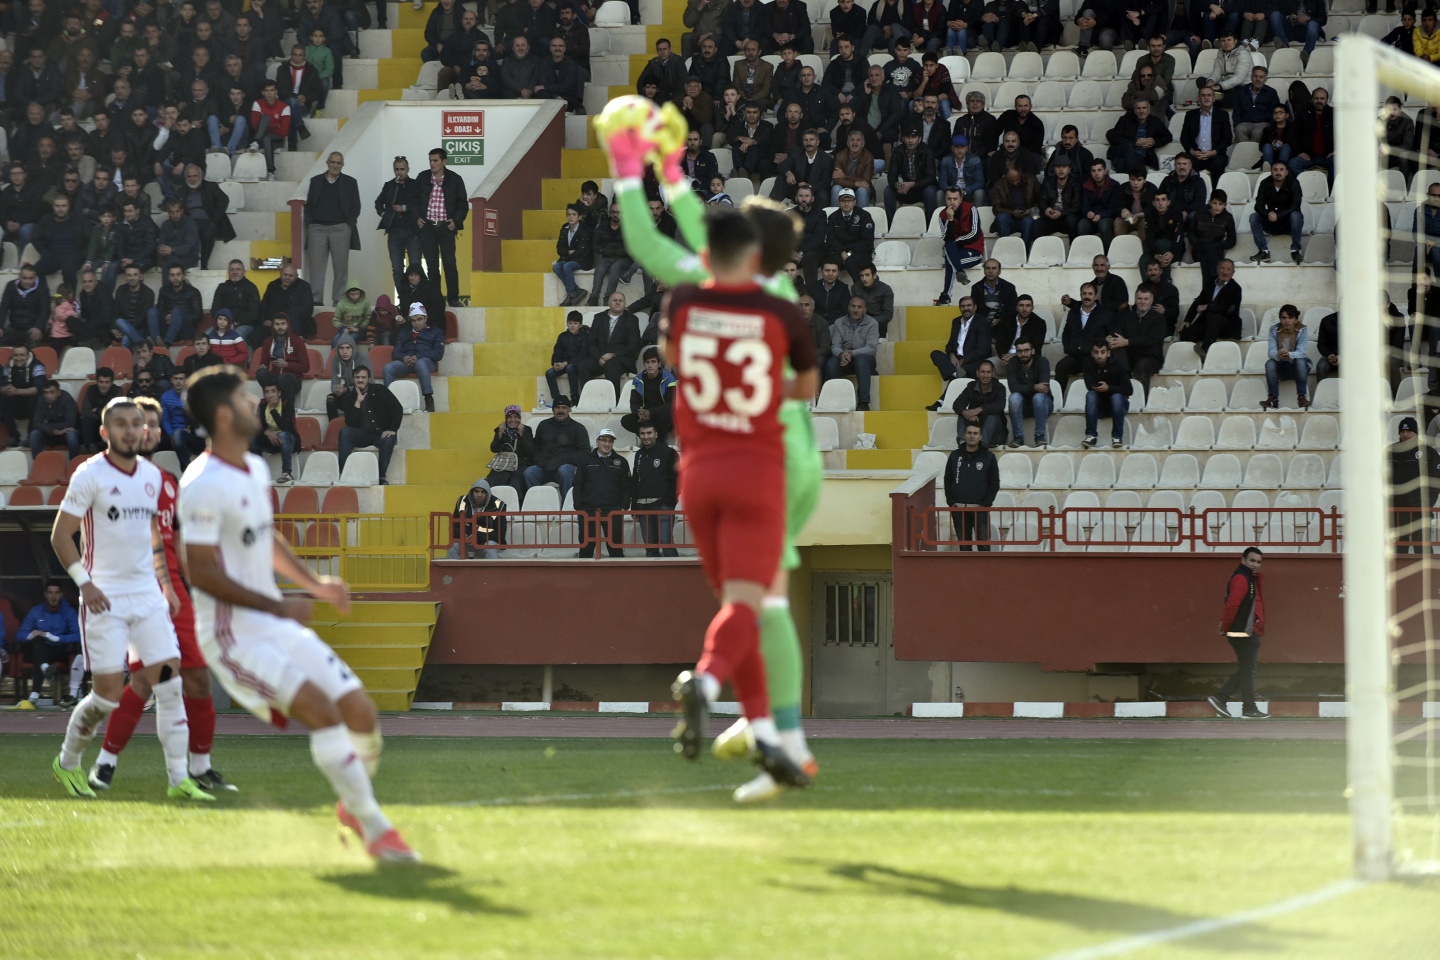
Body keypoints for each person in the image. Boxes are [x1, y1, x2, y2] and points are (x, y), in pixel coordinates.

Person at [601, 103, 822, 799]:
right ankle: (769, 732)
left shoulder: (703, 291)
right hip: (774, 451)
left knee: (764, 603)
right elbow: (702, 223)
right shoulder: (773, 292)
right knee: (758, 602)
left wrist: (647, 167)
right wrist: (672, 170)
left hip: (753, 460)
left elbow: (662, 235)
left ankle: (779, 735)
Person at [177, 367, 417, 859]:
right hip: (232, 636)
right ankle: (376, 828)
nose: (257, 405)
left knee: (362, 713)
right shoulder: (200, 483)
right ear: (224, 415)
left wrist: (313, 583)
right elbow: (199, 572)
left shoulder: (255, 468)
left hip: (272, 621)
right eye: (247, 400)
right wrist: (279, 603)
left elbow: (264, 539)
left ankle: (354, 802)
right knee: (323, 714)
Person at [659, 206, 816, 791]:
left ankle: (766, 737)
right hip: (756, 471)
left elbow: (672, 358)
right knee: (747, 606)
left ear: (707, 254)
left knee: (735, 605)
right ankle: (703, 682)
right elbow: (805, 386)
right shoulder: (780, 311)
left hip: (698, 474)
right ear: (755, 256)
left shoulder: (682, 302)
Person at [46, 396, 213, 802]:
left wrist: (166, 587)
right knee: (105, 695)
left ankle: (179, 780)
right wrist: (84, 583)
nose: (128, 430)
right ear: (104, 432)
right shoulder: (90, 474)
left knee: (169, 683)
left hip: (148, 597)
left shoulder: (153, 478)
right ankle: (67, 762)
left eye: (134, 424)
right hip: (104, 598)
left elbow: (154, 536)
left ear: (144, 430)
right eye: (118, 424)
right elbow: (59, 535)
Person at [88, 396, 233, 791]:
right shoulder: (109, 479)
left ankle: (201, 767)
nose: (147, 431)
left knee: (199, 678)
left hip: (175, 595)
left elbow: (180, 543)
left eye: (152, 424)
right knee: (144, 682)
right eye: (140, 424)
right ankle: (105, 762)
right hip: (138, 593)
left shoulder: (167, 484)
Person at [1207, 547, 1269, 720]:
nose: (1255, 564)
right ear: (1243, 560)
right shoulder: (1242, 578)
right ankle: (1246, 707)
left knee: (1246, 669)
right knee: (1248, 670)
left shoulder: (1248, 578)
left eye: (1258, 562)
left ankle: (1222, 698)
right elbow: (1232, 605)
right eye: (1252, 561)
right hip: (1242, 631)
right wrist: (1226, 626)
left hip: (1245, 630)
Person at [304, 152, 362, 307]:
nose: (336, 165)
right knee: (316, 267)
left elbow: (356, 206)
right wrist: (310, 223)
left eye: (339, 163)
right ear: (327, 163)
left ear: (342, 165)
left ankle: (339, 300)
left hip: (341, 228)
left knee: (341, 267)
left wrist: (348, 224)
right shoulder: (316, 181)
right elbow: (308, 205)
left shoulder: (350, 182)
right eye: (333, 162)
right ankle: (316, 300)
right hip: (317, 228)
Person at [414, 147, 469, 307]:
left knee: (450, 263)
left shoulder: (454, 179)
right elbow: (414, 200)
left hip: (446, 227)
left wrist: (456, 221)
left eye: (435, 160)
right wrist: (417, 218)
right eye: (430, 160)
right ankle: (435, 298)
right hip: (428, 227)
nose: (432, 164)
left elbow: (462, 204)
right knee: (431, 265)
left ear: (444, 161)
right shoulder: (422, 177)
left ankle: (453, 298)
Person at [18, 581, 82, 706]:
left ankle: (34, 695)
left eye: (57, 593)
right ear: (45, 595)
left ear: (61, 595)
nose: (54, 596)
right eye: (50, 593)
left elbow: (78, 635)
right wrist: (31, 634)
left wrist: (56, 638)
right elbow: (19, 635)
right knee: (38, 643)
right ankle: (46, 668)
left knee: (39, 656)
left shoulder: (69, 611)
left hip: (62, 650)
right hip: (43, 650)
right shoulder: (36, 611)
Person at [574, 428, 631, 559]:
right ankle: (583, 578)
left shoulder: (622, 462)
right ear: (597, 441)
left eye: (610, 441)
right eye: (604, 440)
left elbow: (627, 486)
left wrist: (624, 505)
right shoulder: (585, 460)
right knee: (586, 548)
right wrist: (579, 506)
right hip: (588, 510)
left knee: (616, 548)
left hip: (613, 510)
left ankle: (617, 578)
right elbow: (578, 484)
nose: (607, 444)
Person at [926, 295, 991, 408]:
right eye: (963, 306)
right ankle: (956, 373)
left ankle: (941, 402)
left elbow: (983, 349)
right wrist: (951, 355)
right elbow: (950, 345)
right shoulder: (956, 322)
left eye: (969, 305)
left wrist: (963, 360)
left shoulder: (982, 323)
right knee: (935, 354)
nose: (966, 308)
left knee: (966, 369)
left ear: (975, 307)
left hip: (972, 361)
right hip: (955, 360)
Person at [943, 421, 998, 551]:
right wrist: (951, 502)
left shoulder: (989, 457)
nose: (972, 436)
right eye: (969, 433)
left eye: (975, 433)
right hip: (959, 509)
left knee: (983, 546)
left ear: (980, 436)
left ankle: (984, 572)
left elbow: (994, 482)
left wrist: (985, 504)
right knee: (964, 546)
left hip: (980, 509)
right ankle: (966, 572)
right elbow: (947, 479)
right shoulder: (955, 456)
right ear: (964, 435)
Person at [522, 395, 590, 500]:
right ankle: (539, 504)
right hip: (545, 468)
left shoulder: (578, 428)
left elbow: (585, 452)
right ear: (553, 410)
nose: (560, 411)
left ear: (569, 410)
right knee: (529, 472)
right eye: (557, 407)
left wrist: (566, 460)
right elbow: (536, 447)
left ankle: (568, 507)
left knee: (564, 471)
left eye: (564, 407)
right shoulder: (544, 425)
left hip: (567, 467)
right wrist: (540, 461)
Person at [1390, 416, 1440, 553]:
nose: (1405, 435)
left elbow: (1436, 480)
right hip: (1397, 511)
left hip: (1420, 510)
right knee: (1398, 551)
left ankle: (1428, 574)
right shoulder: (1390, 451)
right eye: (1402, 431)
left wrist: (1427, 502)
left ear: (1416, 433)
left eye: (1410, 431)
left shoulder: (1428, 452)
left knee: (1422, 548)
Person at [1054, 282, 1115, 390]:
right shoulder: (1073, 312)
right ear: (1081, 295)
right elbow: (1066, 332)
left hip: (1094, 357)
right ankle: (1057, 402)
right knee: (1061, 367)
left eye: (1090, 294)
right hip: (1075, 355)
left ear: (1095, 296)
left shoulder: (1105, 313)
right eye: (1084, 294)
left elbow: (1111, 334)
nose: (1087, 296)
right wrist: (1068, 348)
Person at [632, 422, 680, 557]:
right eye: (643, 433)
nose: (646, 436)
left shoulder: (669, 453)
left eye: (649, 433)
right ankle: (651, 578)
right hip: (643, 506)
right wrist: (634, 505)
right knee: (649, 545)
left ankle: (675, 577)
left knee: (666, 543)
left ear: (656, 434)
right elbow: (635, 480)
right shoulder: (639, 454)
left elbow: (677, 479)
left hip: (662, 504)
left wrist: (669, 501)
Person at [384, 304, 444, 413]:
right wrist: (404, 358)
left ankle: (429, 399)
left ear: (426, 318)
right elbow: (395, 353)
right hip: (407, 363)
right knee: (388, 368)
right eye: (413, 320)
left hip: (426, 363)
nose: (417, 323)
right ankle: (389, 403)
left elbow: (438, 354)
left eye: (420, 319)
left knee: (421, 363)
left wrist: (419, 357)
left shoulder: (436, 331)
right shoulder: (404, 332)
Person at [376, 156, 423, 295]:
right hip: (394, 232)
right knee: (397, 268)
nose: (399, 172)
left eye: (402, 169)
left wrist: (405, 208)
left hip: (413, 231)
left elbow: (420, 204)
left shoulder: (415, 185)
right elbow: (379, 202)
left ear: (408, 169)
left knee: (415, 266)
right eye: (397, 169)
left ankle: (417, 295)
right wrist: (384, 213)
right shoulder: (390, 185)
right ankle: (403, 297)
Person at [1177, 258, 1243, 356]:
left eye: (1229, 269)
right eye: (1222, 268)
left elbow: (1226, 310)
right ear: (1217, 269)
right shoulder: (1210, 283)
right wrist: (1187, 320)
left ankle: (1205, 349)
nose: (1225, 272)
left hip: (1227, 326)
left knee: (1214, 316)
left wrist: (1207, 307)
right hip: (1209, 325)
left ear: (1233, 272)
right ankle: (1184, 359)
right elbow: (1197, 302)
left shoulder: (1235, 288)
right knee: (1185, 331)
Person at [580, 291, 642, 394]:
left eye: (621, 301)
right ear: (609, 303)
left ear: (624, 303)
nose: (618, 303)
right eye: (615, 300)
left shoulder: (631, 320)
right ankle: (589, 398)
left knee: (611, 365)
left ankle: (614, 401)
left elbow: (634, 345)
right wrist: (600, 356)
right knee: (583, 365)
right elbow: (592, 342)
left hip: (622, 358)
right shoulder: (599, 318)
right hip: (601, 357)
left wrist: (613, 354)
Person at [826, 295, 880, 410]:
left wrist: (851, 353)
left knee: (861, 359)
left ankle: (863, 403)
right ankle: (833, 401)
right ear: (848, 307)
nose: (856, 310)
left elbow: (871, 348)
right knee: (831, 363)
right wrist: (842, 354)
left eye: (859, 307)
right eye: (853, 306)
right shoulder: (839, 322)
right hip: (844, 360)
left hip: (865, 361)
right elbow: (835, 346)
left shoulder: (872, 323)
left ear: (865, 309)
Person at [1109, 284, 1166, 392]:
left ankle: (1141, 402)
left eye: (1146, 299)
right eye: (1139, 298)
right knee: (1116, 351)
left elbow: (1150, 340)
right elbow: (1117, 331)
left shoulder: (1158, 319)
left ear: (1151, 301)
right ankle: (1124, 392)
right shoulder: (1127, 317)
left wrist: (1127, 342)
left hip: (1151, 358)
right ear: (1135, 300)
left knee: (1142, 366)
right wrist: (1113, 338)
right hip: (1131, 356)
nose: (1142, 302)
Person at [934, 187, 984, 306]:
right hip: (956, 252)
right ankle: (959, 272)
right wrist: (950, 220)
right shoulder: (942, 215)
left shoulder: (971, 209)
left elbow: (975, 233)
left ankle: (946, 295)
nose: (952, 202)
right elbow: (946, 237)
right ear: (945, 200)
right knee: (949, 246)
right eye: (949, 199)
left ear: (961, 199)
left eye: (955, 199)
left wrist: (957, 241)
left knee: (949, 259)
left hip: (974, 251)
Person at [1249, 160, 1304, 265]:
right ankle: (1263, 251)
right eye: (1275, 170)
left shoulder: (1294, 183)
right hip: (1271, 222)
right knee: (1254, 217)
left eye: (1281, 170)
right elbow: (1258, 205)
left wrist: (1278, 215)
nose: (1278, 172)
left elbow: (1296, 205)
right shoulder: (1265, 183)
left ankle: (1295, 250)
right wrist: (1267, 214)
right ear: (1271, 171)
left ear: (1286, 172)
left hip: (1289, 224)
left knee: (1296, 215)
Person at [1082, 340, 1131, 449]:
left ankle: (1117, 437)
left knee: (1116, 397)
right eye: (1096, 352)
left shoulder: (1117, 365)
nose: (1099, 356)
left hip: (1119, 406)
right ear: (1092, 353)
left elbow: (1129, 390)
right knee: (1090, 395)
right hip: (1099, 406)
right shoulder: (1088, 363)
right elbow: (1089, 385)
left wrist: (1108, 388)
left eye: (1102, 352)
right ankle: (1091, 435)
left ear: (1108, 353)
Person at [1263, 304, 1310, 410]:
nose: (1287, 321)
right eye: (1284, 318)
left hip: (1297, 368)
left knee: (1301, 361)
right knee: (1269, 363)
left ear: (1296, 320)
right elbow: (1271, 352)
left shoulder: (1303, 330)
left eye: (1290, 318)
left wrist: (1289, 354)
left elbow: (1302, 352)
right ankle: (1273, 399)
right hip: (1281, 366)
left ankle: (1302, 397)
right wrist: (1278, 354)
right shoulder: (1273, 330)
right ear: (1280, 319)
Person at [1180, 87, 1232, 181]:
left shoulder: (1223, 115)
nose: (1206, 98)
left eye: (1209, 95)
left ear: (1214, 98)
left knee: (1218, 164)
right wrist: (1193, 152)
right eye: (1203, 95)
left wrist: (1213, 152)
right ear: (1199, 98)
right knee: (1184, 164)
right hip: (1195, 155)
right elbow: (1184, 138)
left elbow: (1227, 138)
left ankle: (1215, 193)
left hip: (1215, 155)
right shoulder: (1190, 115)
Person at [254, 312, 310, 401]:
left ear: (288, 325)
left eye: (283, 324)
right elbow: (264, 363)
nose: (280, 327)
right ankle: (270, 398)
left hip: (293, 379)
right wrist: (262, 367)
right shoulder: (268, 342)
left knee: (282, 377)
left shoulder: (298, 341)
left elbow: (306, 367)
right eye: (277, 324)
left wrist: (287, 364)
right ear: (273, 326)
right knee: (261, 372)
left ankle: (286, 404)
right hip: (275, 377)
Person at [446, 479, 507, 560]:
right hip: (466, 540)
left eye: (483, 492)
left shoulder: (499, 505)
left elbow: (500, 534)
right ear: (472, 492)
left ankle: (492, 572)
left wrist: (477, 536)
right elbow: (454, 526)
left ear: (488, 493)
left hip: (487, 540)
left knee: (490, 547)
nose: (479, 495)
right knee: (453, 546)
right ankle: (451, 572)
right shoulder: (462, 502)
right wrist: (462, 534)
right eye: (476, 491)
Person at [622, 348, 677, 437]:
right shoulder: (637, 379)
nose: (650, 365)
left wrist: (650, 412)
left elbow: (670, 403)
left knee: (665, 419)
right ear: (644, 364)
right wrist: (639, 412)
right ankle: (645, 437)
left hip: (661, 415)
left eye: (653, 362)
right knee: (626, 420)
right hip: (646, 416)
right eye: (647, 362)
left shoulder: (669, 378)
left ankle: (658, 441)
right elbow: (634, 402)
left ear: (659, 364)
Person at [1006, 340, 1051, 448]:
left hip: (1043, 404)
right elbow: (1013, 388)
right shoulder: (1012, 363)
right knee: (1014, 398)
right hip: (1023, 405)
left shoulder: (1042, 361)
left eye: (1026, 350)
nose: (1023, 354)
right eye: (1019, 351)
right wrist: (1034, 387)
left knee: (1038, 397)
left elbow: (1043, 388)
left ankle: (1040, 436)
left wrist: (1025, 389)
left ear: (1033, 351)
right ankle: (1018, 437)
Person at [250, 382, 298, 483]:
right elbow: (256, 426)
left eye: (273, 391)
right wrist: (267, 432)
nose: (270, 395)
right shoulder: (263, 404)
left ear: (279, 393)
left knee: (283, 434)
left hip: (288, 439)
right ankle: (261, 472)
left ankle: (287, 473)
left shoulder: (287, 403)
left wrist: (272, 410)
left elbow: (285, 427)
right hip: (271, 440)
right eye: (267, 392)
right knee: (250, 440)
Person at [954, 358, 1005, 447]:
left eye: (988, 372)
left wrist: (980, 410)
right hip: (975, 429)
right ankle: (962, 442)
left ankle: (982, 445)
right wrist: (966, 413)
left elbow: (1000, 406)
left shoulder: (999, 387)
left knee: (992, 416)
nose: (985, 375)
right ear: (977, 373)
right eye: (983, 372)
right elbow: (957, 403)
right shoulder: (971, 386)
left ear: (993, 374)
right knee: (962, 413)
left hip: (995, 433)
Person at [553, 202, 594, 307]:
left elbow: (581, 251)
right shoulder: (564, 228)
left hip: (584, 260)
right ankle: (575, 290)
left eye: (574, 214)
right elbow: (559, 248)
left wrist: (567, 253)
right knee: (557, 267)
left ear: (579, 217)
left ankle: (571, 294)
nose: (571, 217)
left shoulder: (585, 230)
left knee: (567, 266)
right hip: (569, 259)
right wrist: (568, 252)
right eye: (569, 214)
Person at [487, 405, 534, 496]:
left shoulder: (526, 430)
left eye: (515, 417)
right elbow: (493, 448)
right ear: (506, 418)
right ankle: (494, 503)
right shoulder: (501, 429)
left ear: (519, 418)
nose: (512, 420)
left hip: (520, 464)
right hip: (504, 463)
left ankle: (517, 505)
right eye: (510, 417)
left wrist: (521, 434)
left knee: (517, 480)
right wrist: (500, 434)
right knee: (493, 478)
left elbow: (529, 450)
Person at [29, 379, 81, 461]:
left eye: (52, 392)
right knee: (34, 435)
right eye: (46, 392)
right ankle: (39, 465)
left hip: (66, 432)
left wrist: (50, 427)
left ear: (59, 392)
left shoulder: (67, 399)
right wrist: (54, 431)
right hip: (51, 433)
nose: (49, 396)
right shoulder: (41, 400)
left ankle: (74, 465)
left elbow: (71, 423)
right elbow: (36, 423)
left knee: (71, 436)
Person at [546, 310, 590, 405]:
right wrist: (556, 362)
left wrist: (566, 363)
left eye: (575, 323)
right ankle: (557, 398)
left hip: (577, 365)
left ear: (580, 325)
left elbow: (582, 355)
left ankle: (574, 396)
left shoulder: (584, 337)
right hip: (563, 364)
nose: (572, 326)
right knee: (549, 373)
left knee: (570, 368)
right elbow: (557, 351)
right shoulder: (562, 336)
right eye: (570, 323)